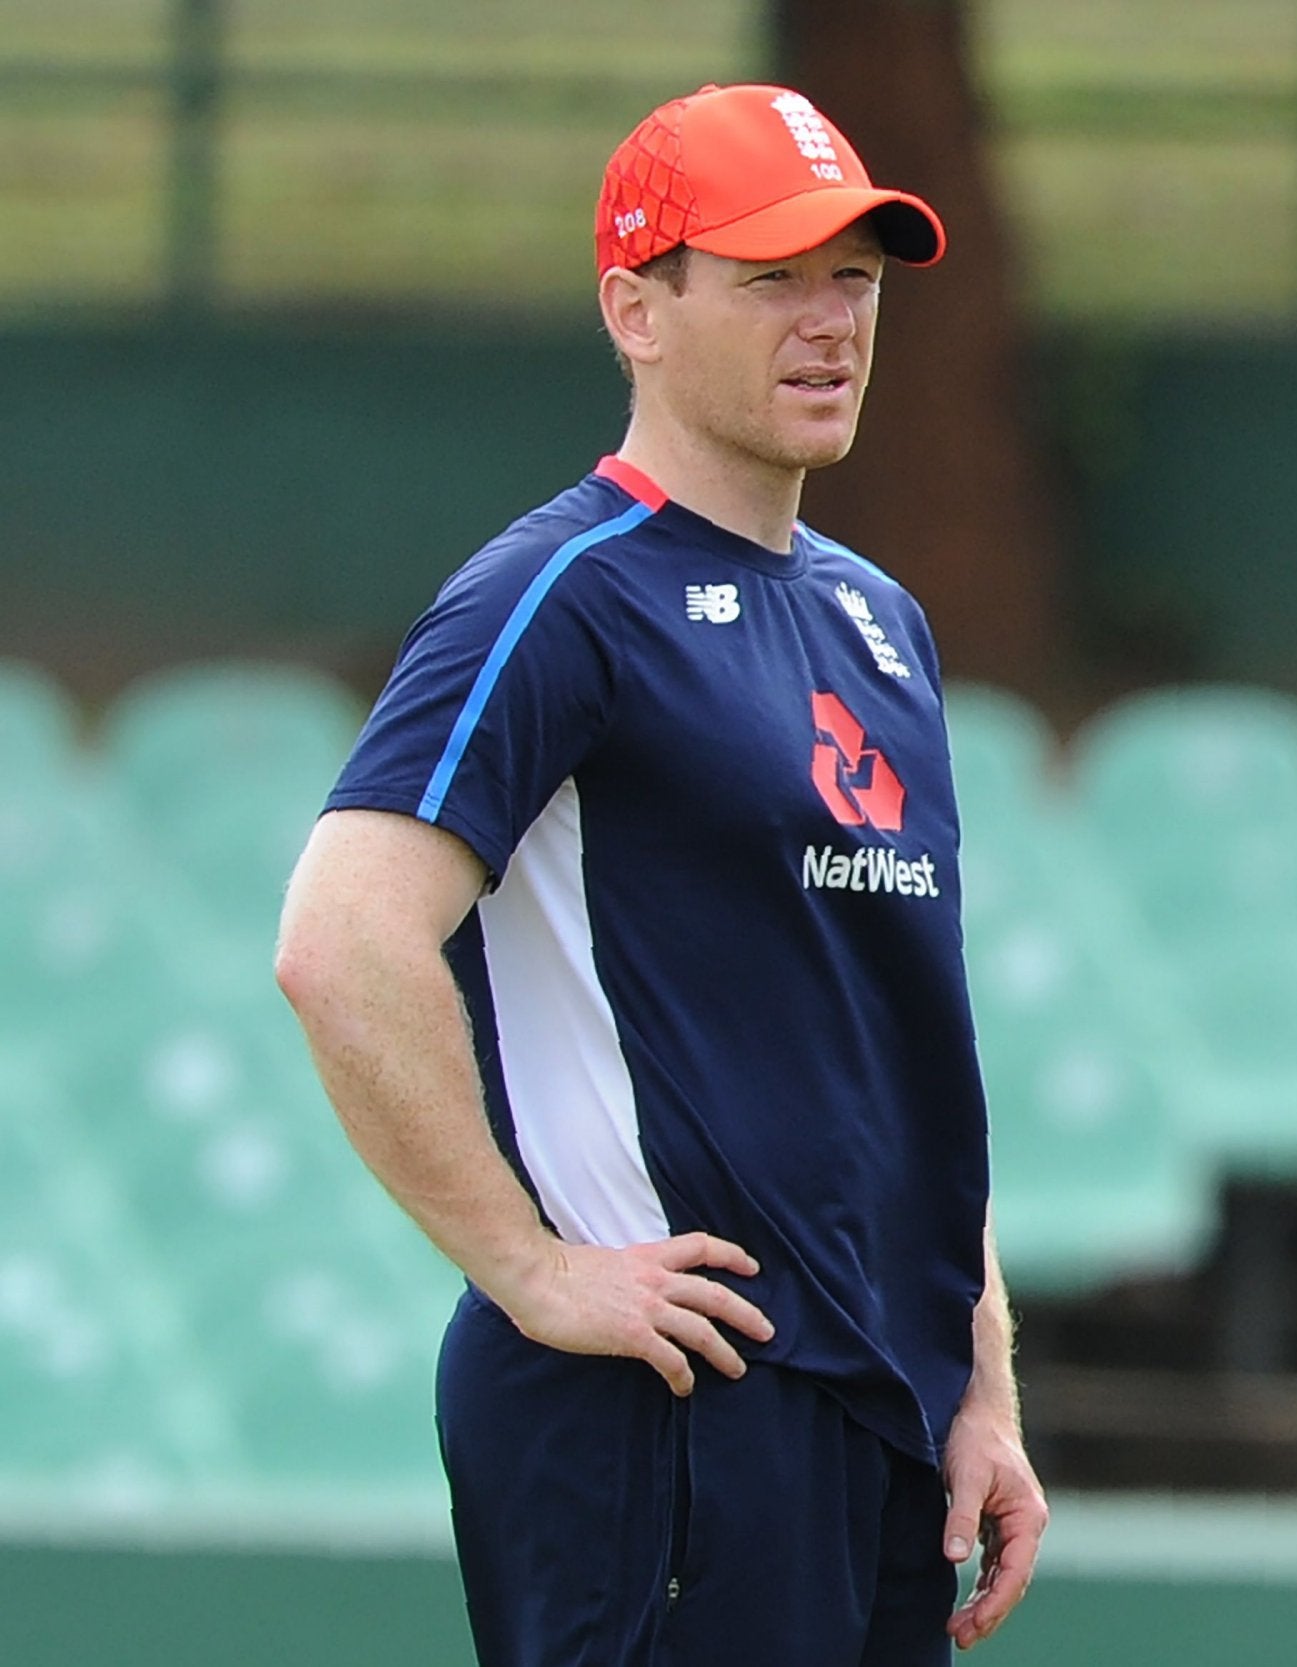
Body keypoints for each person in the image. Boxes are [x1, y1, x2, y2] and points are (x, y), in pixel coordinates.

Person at [274, 83, 1045, 1665]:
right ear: (637, 309)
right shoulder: (556, 596)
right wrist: (530, 1269)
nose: (832, 323)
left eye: (859, 280)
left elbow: (898, 1054)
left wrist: (983, 1387)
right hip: (664, 1408)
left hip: (877, 1417)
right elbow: (341, 941)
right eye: (773, 278)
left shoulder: (879, 623)